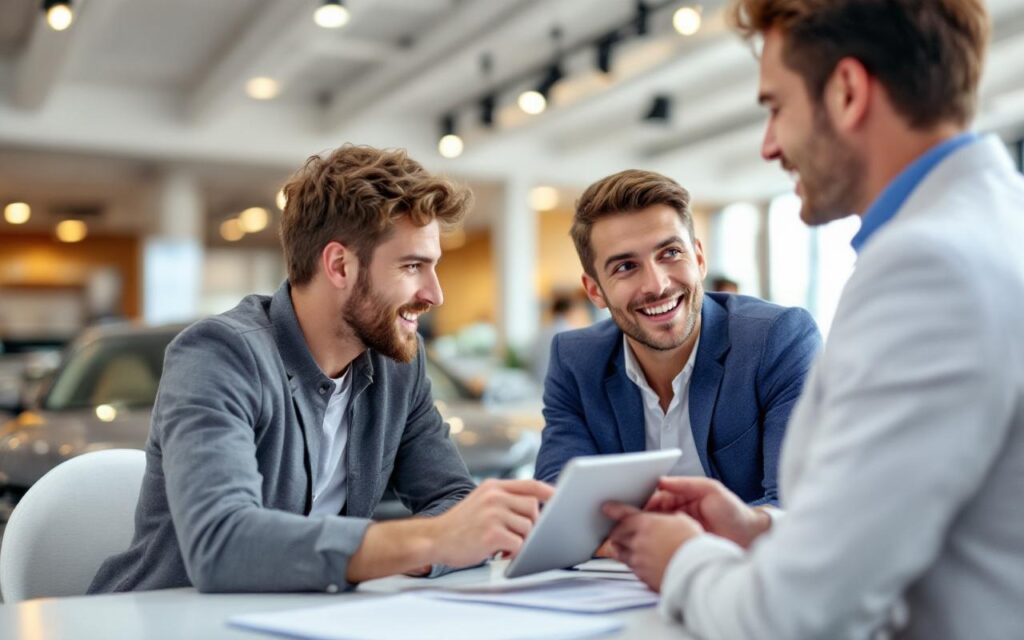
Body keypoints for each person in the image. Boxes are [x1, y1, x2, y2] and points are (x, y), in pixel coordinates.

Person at [605, 1, 1024, 638]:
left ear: (849, 91)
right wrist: (762, 531)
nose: (770, 144)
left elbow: (796, 619)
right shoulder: (993, 225)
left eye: (775, 107)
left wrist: (683, 561)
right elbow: (916, 524)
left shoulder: (928, 266)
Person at [89, 145, 553, 594]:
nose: (435, 294)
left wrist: (442, 543)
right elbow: (221, 544)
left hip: (306, 619)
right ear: (339, 265)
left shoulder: (397, 366)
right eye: (413, 265)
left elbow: (450, 498)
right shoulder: (219, 354)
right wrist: (428, 540)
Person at [534, 169, 820, 506]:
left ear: (698, 259)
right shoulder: (576, 360)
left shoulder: (777, 339)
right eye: (625, 266)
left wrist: (686, 541)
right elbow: (556, 506)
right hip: (624, 560)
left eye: (670, 253)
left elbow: (799, 504)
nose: (657, 285)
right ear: (595, 291)